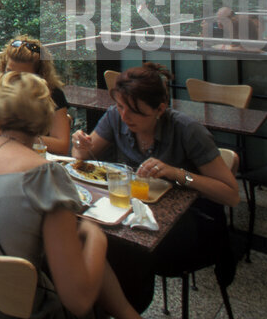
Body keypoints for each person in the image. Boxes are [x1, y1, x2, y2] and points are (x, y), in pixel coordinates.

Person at [0, 71, 140, 319]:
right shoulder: (46, 178)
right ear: (45, 121)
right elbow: (78, 301)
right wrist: (97, 236)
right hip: (23, 310)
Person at [71, 62, 239, 311]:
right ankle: (108, 307)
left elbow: (230, 194)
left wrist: (179, 174)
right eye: (120, 106)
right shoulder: (116, 116)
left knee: (123, 250)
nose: (125, 116)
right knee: (96, 237)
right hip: (142, 215)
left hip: (194, 221)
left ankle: (124, 308)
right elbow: (83, 157)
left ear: (160, 109)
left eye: (136, 112)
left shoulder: (187, 130)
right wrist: (80, 148)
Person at [0, 36, 71, 155]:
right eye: (9, 72)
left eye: (22, 76)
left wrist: (18, 136)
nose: (12, 80)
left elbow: (62, 146)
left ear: (39, 76)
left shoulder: (53, 94)